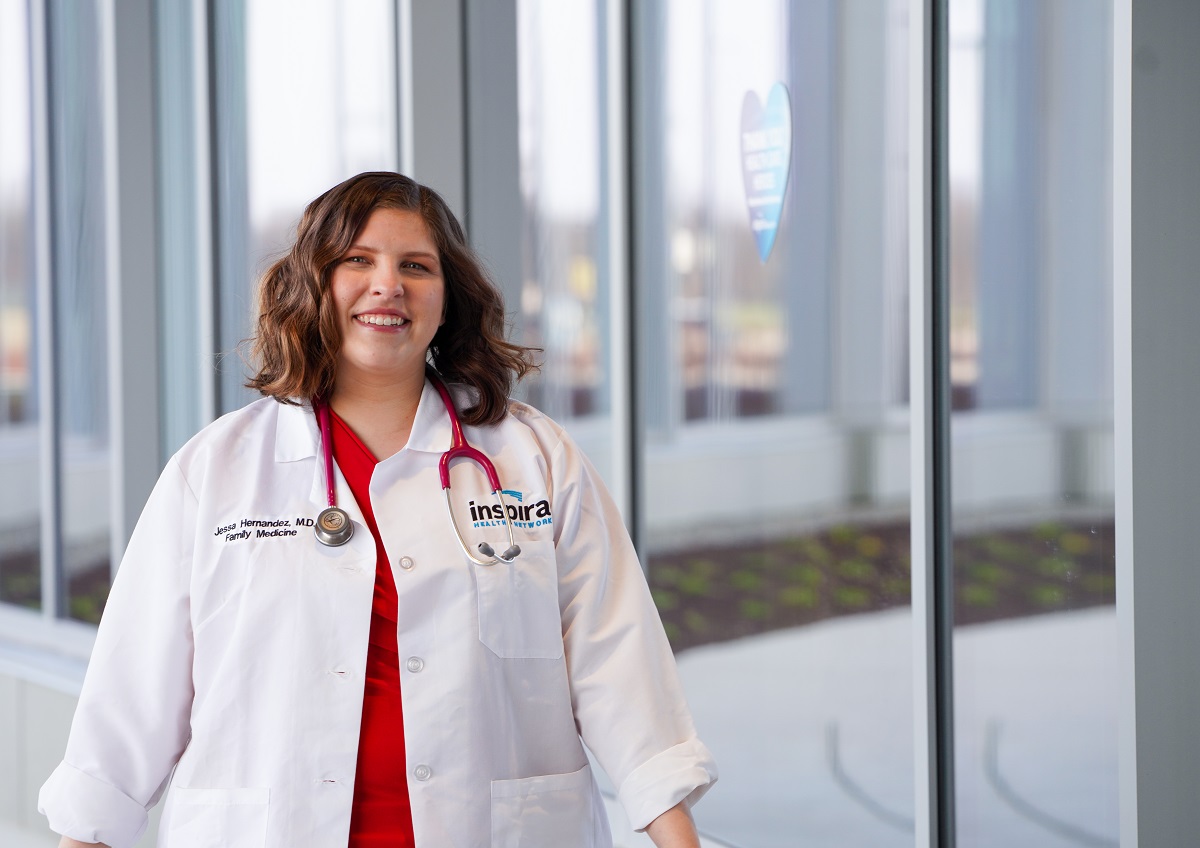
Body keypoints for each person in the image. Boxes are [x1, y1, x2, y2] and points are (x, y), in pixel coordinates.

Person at [39, 172, 716, 847]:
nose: (387, 284)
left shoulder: (534, 459)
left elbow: (617, 662)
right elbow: (131, 697)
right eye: (357, 260)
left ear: (447, 300)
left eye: (415, 266)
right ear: (314, 285)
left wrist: (676, 833)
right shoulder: (215, 470)